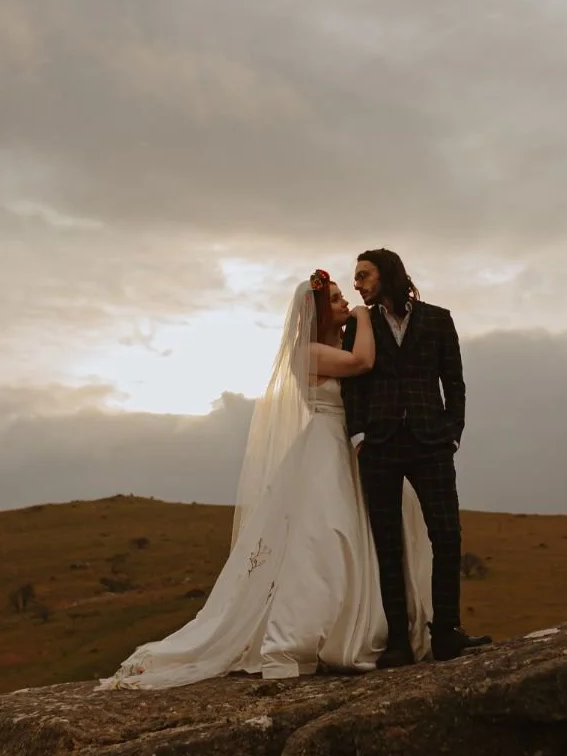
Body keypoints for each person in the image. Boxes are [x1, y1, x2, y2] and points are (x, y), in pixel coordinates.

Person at [100, 271, 431, 688]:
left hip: (355, 448)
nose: (344, 303)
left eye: (344, 297)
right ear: (315, 312)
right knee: (324, 535)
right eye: (334, 300)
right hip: (326, 449)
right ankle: (308, 634)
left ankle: (378, 625)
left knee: (365, 534)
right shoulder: (308, 352)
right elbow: (363, 363)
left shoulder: (335, 344)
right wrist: (366, 316)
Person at [344, 248, 488, 667]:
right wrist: (359, 437)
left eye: (363, 275)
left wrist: (453, 434)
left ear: (386, 274)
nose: (357, 283)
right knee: (387, 546)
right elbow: (353, 383)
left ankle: (446, 634)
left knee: (447, 536)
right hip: (380, 446)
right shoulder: (361, 324)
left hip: (431, 444)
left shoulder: (438, 319)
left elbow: (454, 381)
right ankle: (398, 644)